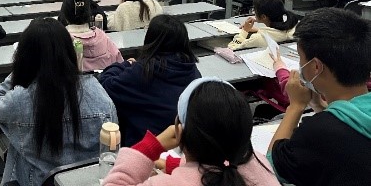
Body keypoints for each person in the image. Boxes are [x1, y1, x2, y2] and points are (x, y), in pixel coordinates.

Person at [0, 18, 117, 186]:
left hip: (36, 182)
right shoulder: (96, 90)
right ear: (69, 51)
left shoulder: (20, 99)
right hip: (87, 182)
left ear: (25, 57)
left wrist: (19, 71)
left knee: (17, 145)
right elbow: (112, 139)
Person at [104, 77, 280, 186]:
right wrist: (174, 165)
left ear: (179, 131)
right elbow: (217, 165)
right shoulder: (260, 165)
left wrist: (151, 146)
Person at [268, 8, 371, 186]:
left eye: (300, 58)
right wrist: (319, 106)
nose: (300, 64)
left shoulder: (319, 132)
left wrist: (296, 106)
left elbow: (271, 168)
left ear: (316, 67)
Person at [99, 14, 201, 146]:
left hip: (145, 148)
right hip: (180, 146)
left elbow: (106, 84)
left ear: (151, 40)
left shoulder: (144, 72)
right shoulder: (193, 71)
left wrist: (126, 64)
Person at [60, 0, 123, 71]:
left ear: (65, 17)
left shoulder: (62, 40)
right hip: (106, 77)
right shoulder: (103, 36)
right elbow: (119, 63)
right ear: (89, 15)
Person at [228, 0, 298, 50]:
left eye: (255, 10)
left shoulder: (257, 38)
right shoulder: (293, 31)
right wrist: (258, 30)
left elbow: (232, 48)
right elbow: (276, 33)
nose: (253, 13)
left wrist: (244, 31)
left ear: (264, 17)